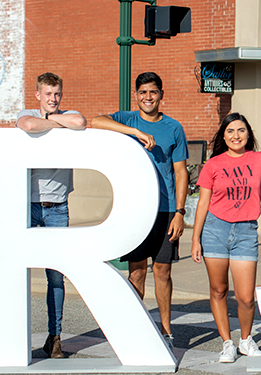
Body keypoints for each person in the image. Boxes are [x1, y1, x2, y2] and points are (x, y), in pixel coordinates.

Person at [91, 72, 188, 348]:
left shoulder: (173, 128)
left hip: (166, 209)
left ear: (161, 95)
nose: (148, 97)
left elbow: (181, 173)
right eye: (143, 92)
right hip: (135, 208)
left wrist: (180, 212)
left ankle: (166, 332)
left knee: (163, 271)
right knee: (136, 272)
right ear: (137, 95)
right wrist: (134, 132)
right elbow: (96, 121)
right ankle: (135, 329)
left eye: (153, 92)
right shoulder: (128, 119)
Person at [190, 113, 261, 363]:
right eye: (230, 131)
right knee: (219, 289)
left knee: (245, 297)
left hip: (245, 231)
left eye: (241, 130)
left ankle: (245, 340)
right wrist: (196, 239)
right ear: (223, 136)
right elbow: (203, 203)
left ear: (249, 134)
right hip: (215, 230)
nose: (236, 136)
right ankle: (226, 343)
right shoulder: (213, 164)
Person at [16, 72, 87, 358]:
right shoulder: (29, 112)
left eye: (57, 94)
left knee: (56, 277)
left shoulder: (70, 114)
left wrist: (54, 119)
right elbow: (28, 124)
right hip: (28, 205)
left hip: (58, 207)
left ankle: (54, 337)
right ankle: (13, 336)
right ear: (38, 95)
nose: (53, 99)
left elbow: (80, 122)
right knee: (16, 271)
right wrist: (56, 122)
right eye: (47, 94)